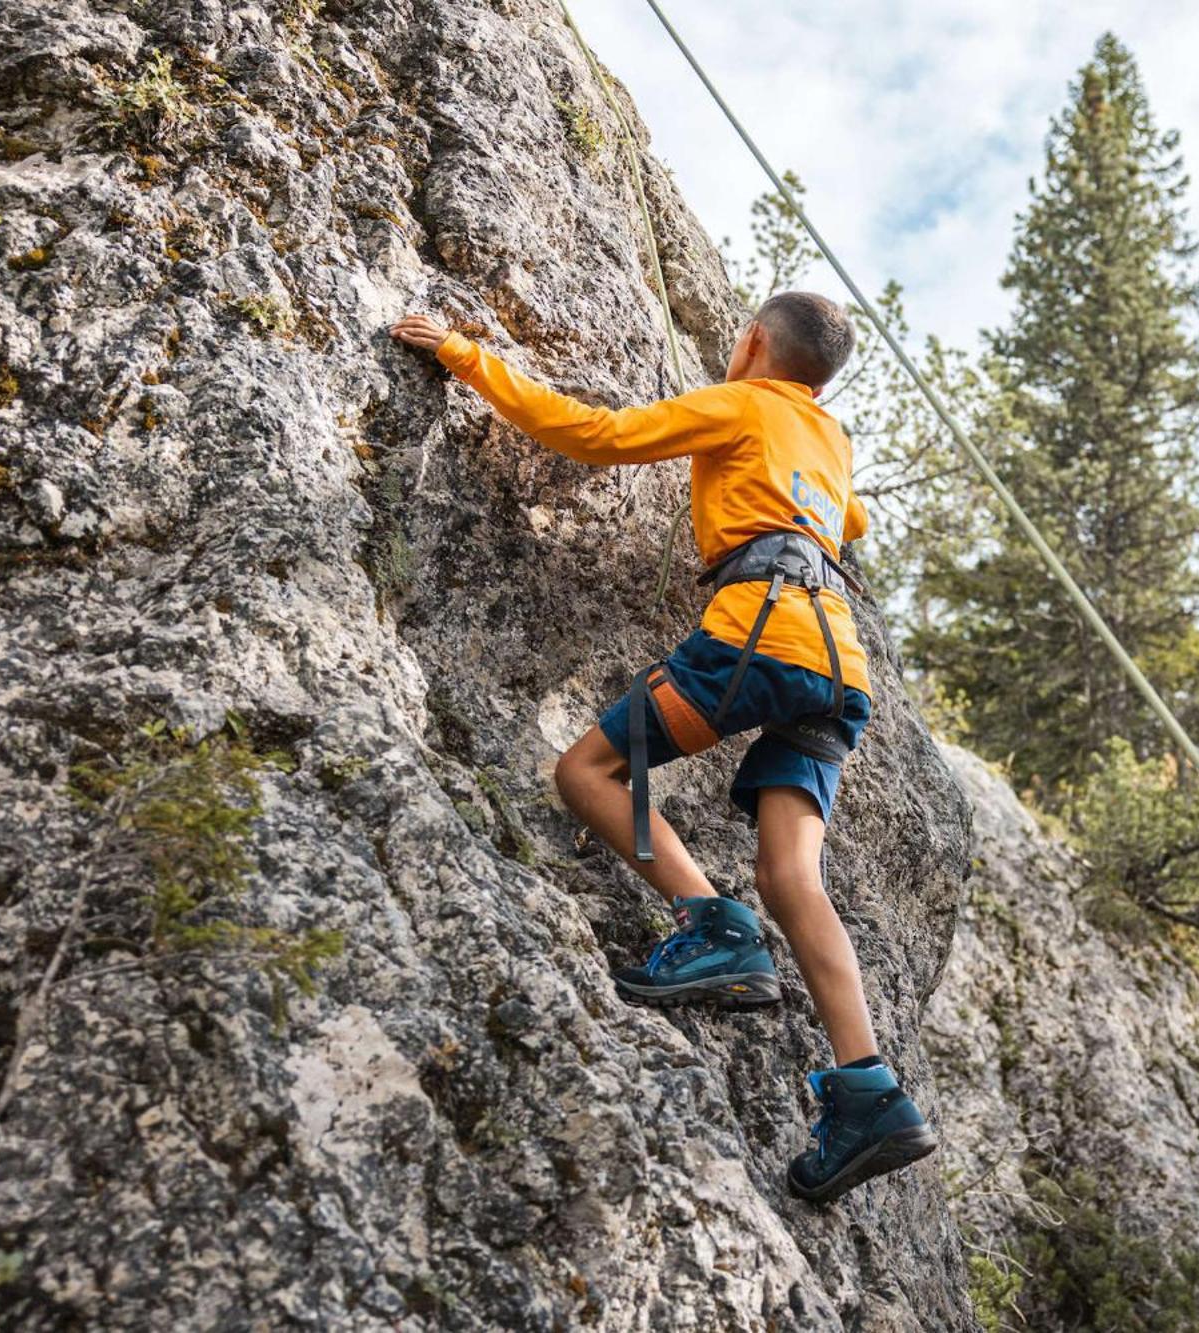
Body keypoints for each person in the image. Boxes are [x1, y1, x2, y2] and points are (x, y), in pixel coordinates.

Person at [390, 294, 936, 1203]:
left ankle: (712, 926)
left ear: (754, 342)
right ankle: (870, 1089)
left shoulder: (743, 401)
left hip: (760, 631)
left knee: (591, 770)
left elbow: (596, 433)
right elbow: (853, 526)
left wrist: (464, 356)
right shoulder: (832, 443)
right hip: (842, 666)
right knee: (794, 879)